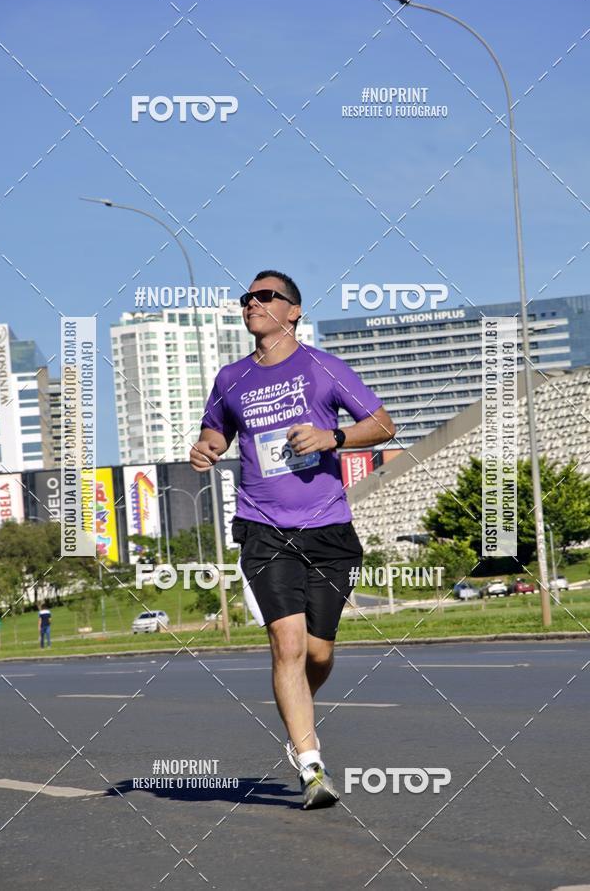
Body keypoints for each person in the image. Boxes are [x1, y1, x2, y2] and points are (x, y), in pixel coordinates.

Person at [190, 270, 395, 809]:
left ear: (294, 310)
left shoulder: (322, 366)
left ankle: (297, 706)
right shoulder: (231, 378)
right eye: (246, 299)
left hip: (328, 526)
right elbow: (217, 431)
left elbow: (383, 424)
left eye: (265, 297)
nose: (252, 305)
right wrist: (206, 447)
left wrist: (335, 436)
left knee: (319, 653)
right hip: (263, 527)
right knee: (288, 644)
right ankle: (311, 765)